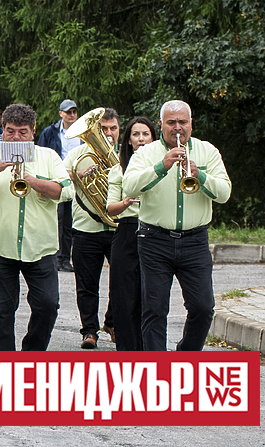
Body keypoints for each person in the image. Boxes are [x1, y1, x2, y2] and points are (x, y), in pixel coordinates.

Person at [0, 103, 72, 351]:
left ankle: (31, 354)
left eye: (23, 132)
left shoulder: (48, 156)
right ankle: (3, 367)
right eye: (10, 131)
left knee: (47, 305)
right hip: (0, 246)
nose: (16, 137)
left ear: (33, 132)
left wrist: (32, 180)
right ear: (2, 130)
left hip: (40, 247)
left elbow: (65, 191)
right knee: (0, 312)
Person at [124, 100, 231, 351]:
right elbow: (129, 187)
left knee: (203, 308)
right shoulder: (146, 153)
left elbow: (224, 193)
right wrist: (162, 166)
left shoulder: (207, 151)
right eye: (171, 122)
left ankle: (184, 357)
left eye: (183, 122)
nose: (177, 128)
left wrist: (199, 175)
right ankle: (158, 371)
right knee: (154, 309)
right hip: (154, 239)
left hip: (195, 240)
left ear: (191, 124)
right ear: (161, 125)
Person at [64, 108, 120, 349]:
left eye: (113, 129)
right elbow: (60, 178)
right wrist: (76, 175)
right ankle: (89, 330)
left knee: (123, 280)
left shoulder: (125, 155)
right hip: (86, 227)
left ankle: (112, 321)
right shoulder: (78, 154)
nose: (108, 133)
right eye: (103, 128)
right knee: (87, 283)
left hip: (119, 228)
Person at [105, 115, 157, 351]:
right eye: (136, 134)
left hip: (155, 231)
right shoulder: (118, 170)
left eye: (146, 134)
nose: (141, 139)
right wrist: (125, 202)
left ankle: (151, 350)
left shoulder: (161, 166)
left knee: (151, 299)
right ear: (128, 141)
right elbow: (110, 208)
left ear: (154, 138)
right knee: (124, 299)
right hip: (127, 231)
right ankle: (127, 352)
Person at [36, 99, 81, 272]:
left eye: (74, 112)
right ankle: (56, 256)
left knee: (69, 220)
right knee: (58, 218)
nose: (71, 115)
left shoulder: (81, 134)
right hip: (56, 178)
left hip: (76, 179)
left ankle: (65, 258)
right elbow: (40, 152)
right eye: (68, 112)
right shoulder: (50, 132)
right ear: (61, 113)